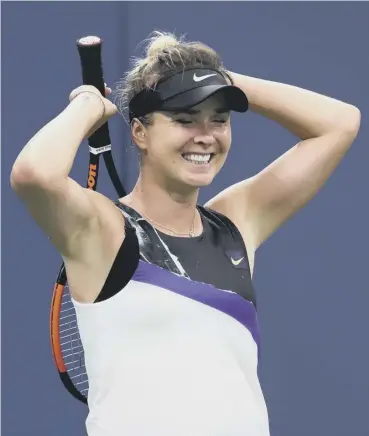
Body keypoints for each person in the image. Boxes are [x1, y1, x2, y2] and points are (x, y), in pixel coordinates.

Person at [11, 31, 360, 436]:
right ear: (140, 132)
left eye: (220, 119)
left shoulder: (236, 222)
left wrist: (217, 79)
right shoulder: (103, 231)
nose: (205, 135)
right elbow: (34, 173)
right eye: (184, 119)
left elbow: (340, 123)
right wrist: (88, 105)